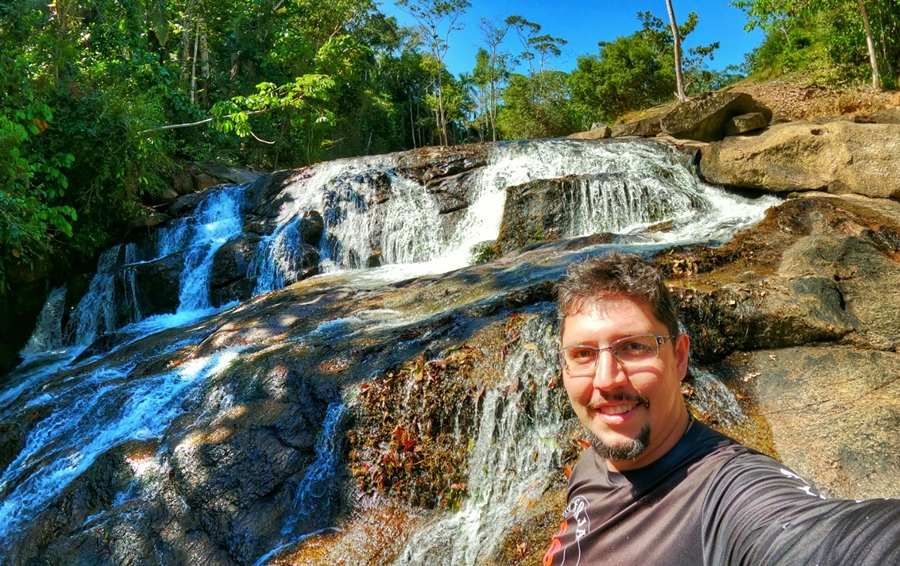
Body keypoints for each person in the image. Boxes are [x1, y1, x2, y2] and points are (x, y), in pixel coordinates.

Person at [542, 253, 900, 566]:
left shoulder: (728, 493)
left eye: (634, 347)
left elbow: (829, 541)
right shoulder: (594, 461)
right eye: (583, 354)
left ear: (679, 357)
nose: (606, 380)